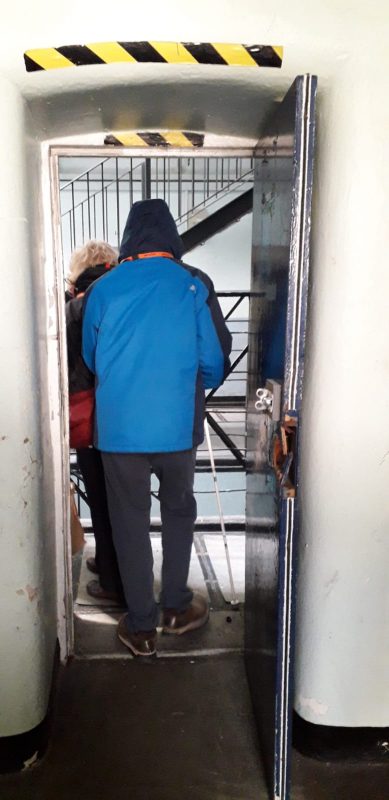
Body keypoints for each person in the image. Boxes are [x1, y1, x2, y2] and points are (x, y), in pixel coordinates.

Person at [82, 200, 232, 657]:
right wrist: (181, 383)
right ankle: (175, 606)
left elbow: (91, 357)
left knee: (128, 521)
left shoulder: (103, 289)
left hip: (120, 431)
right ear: (171, 239)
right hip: (176, 429)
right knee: (179, 511)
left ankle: (141, 626)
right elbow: (214, 363)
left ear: (129, 239)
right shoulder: (194, 284)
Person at [66, 240, 124, 604]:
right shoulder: (120, 303)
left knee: (99, 501)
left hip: (86, 416)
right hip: (122, 415)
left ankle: (110, 580)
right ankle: (116, 564)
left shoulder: (75, 307)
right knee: (120, 500)